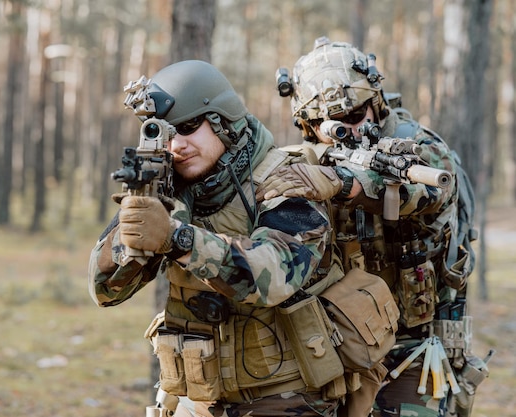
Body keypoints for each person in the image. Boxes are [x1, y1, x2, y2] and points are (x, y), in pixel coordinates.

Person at [88, 60, 351, 417]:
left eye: (188, 127)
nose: (177, 145)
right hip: (197, 398)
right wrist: (137, 224)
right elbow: (104, 289)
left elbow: (273, 276)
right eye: (167, 133)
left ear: (222, 121)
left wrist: (176, 237)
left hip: (283, 397)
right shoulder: (172, 189)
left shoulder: (284, 178)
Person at [262, 37, 488, 417]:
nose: (347, 129)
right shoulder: (307, 161)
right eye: (327, 123)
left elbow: (428, 191)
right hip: (338, 340)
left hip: (412, 342)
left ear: (376, 104)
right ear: (307, 123)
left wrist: (346, 185)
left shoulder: (417, 146)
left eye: (356, 116)